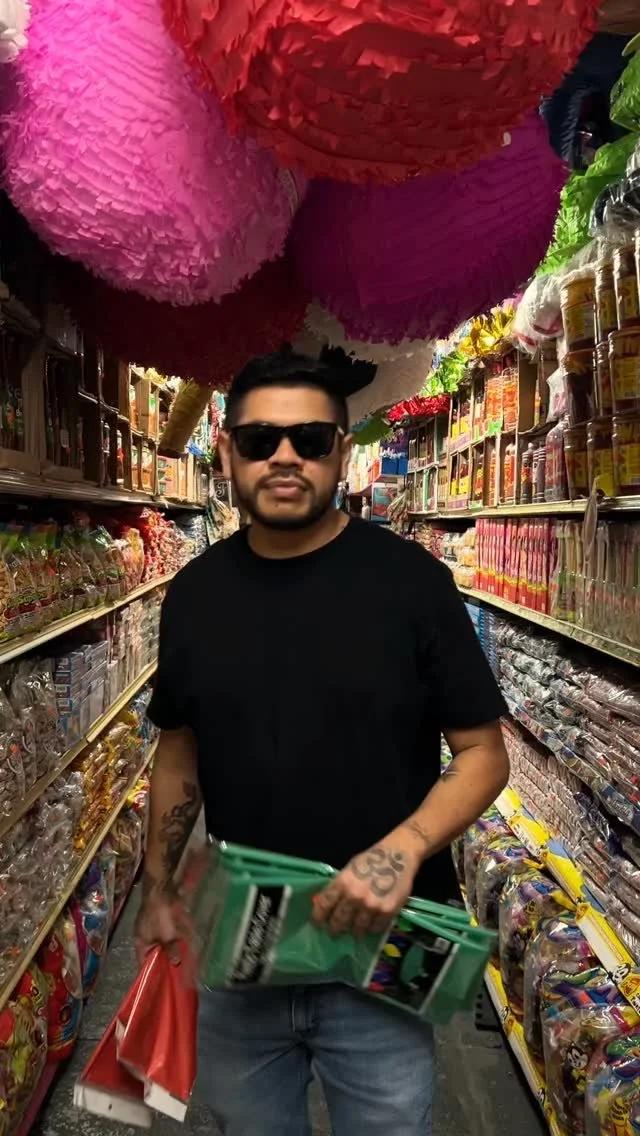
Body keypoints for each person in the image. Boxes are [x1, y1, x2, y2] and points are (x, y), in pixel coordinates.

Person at [135, 350, 510, 1136]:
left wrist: (402, 849)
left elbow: (484, 755)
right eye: (259, 440)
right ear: (227, 451)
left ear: (341, 451)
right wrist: (160, 890)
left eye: (308, 439)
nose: (284, 457)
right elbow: (178, 754)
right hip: (241, 942)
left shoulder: (412, 585)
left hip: (382, 947)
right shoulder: (194, 596)